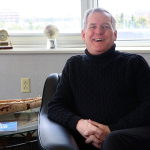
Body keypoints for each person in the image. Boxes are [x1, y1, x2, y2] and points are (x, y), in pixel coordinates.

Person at [48, 7, 150, 150]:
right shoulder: (74, 65)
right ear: (83, 35)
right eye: (93, 26)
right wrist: (79, 124)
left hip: (128, 138)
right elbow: (55, 106)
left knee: (113, 140)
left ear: (115, 34)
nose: (99, 31)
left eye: (105, 26)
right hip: (86, 140)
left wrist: (110, 130)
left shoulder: (134, 63)